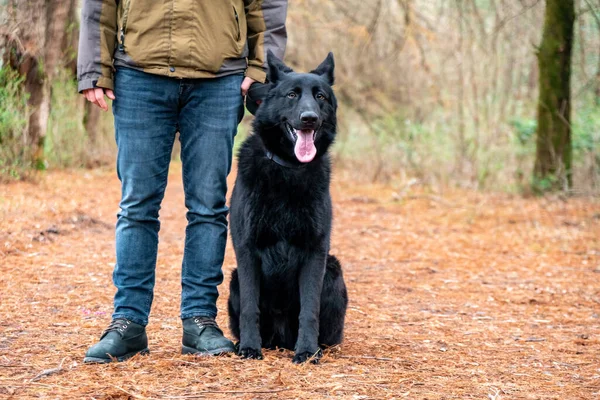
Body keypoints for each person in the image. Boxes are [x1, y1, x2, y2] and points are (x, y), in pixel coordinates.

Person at [77, 0, 288, 363]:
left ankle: (199, 322)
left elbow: (266, 4)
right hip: (139, 73)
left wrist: (261, 65)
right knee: (137, 205)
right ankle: (127, 322)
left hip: (219, 79)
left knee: (208, 207)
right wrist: (94, 67)